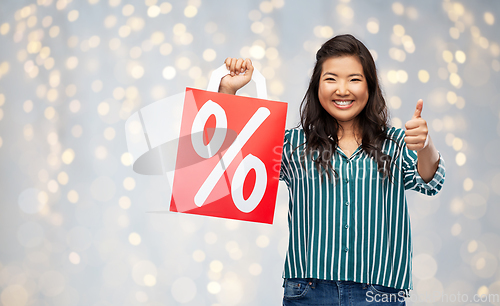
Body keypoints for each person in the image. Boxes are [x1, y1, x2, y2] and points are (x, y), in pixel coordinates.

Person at [218, 34, 445, 305]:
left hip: (379, 293)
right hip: (309, 291)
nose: (342, 89)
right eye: (331, 78)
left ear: (370, 86)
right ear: (317, 87)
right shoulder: (292, 144)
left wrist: (425, 145)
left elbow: (430, 182)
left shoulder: (396, 143)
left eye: (354, 79)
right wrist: (228, 92)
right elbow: (230, 164)